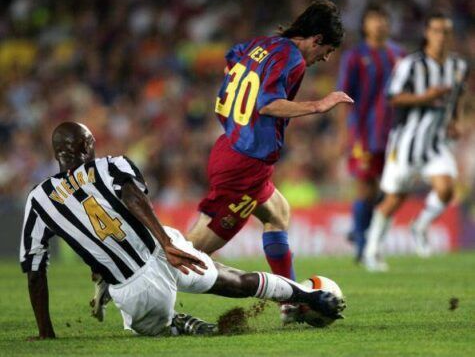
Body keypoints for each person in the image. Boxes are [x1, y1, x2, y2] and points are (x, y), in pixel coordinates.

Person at [20, 122, 345, 339]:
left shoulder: (38, 200)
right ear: (88, 143)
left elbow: (35, 270)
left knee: (148, 325)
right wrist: (165, 241)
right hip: (165, 250)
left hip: (135, 290)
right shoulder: (111, 164)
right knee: (238, 280)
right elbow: (131, 197)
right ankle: (309, 296)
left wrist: (46, 333)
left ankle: (173, 321)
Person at [184, 0, 353, 323]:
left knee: (278, 212)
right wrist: (318, 105)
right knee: (191, 253)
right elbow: (267, 104)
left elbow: (232, 55)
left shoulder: (263, 45)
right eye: (327, 50)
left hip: (232, 148)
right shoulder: (294, 61)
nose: (326, 58)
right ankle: (130, 273)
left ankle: (289, 304)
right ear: (316, 39)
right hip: (244, 164)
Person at [362, 12, 469, 271]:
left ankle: (419, 226)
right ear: (427, 33)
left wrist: (456, 120)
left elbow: (458, 96)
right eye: (436, 31)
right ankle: (372, 250)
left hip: (435, 142)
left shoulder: (458, 66)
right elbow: (393, 97)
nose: (441, 36)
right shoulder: (411, 64)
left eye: (446, 31)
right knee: (394, 199)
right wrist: (425, 97)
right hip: (406, 143)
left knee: (446, 190)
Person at [336, 5, 405, 262]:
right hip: (364, 132)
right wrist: (344, 133)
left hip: (395, 134)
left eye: (384, 19)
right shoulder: (355, 57)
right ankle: (363, 245)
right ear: (365, 25)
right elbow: (343, 96)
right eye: (375, 19)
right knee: (365, 187)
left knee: (388, 190)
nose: (380, 24)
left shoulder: (400, 55)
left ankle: (359, 229)